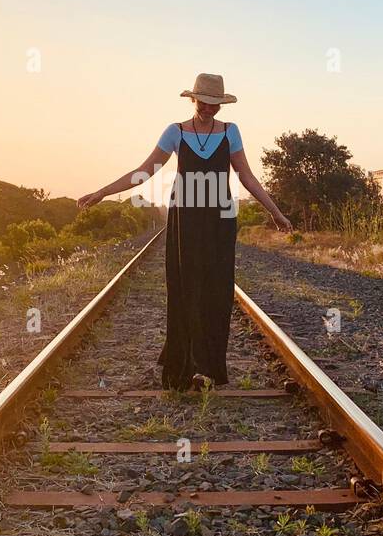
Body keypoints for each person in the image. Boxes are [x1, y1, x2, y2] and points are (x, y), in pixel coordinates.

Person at [78, 73, 292, 390]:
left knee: (216, 292)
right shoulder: (175, 132)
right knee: (185, 289)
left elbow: (246, 176)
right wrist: (104, 192)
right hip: (185, 221)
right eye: (205, 103)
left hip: (220, 221)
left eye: (216, 105)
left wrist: (275, 212)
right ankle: (184, 364)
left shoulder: (230, 133)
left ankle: (207, 367)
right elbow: (144, 172)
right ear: (193, 100)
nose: (209, 109)